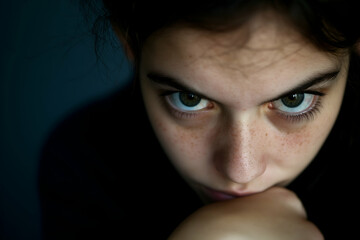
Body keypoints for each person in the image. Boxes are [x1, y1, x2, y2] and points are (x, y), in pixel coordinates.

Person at [38, 0, 360, 239]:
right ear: (130, 45)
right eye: (190, 99)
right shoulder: (84, 165)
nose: (240, 171)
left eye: (294, 100)